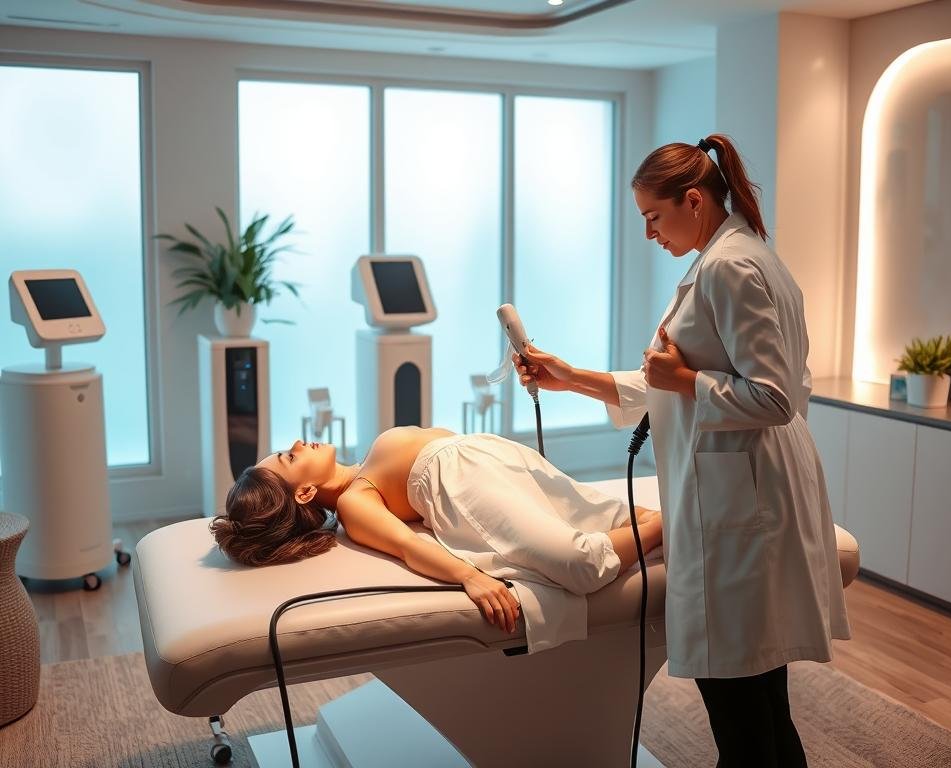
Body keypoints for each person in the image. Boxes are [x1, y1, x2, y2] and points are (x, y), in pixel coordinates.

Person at [512, 134, 850, 767]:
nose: (648, 233)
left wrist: (689, 381)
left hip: (743, 507)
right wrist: (571, 377)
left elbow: (776, 398)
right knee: (757, 695)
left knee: (740, 701)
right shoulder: (730, 258)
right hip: (741, 495)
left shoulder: (731, 267)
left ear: (692, 200)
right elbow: (668, 381)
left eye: (652, 217)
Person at [210, 426, 663, 653]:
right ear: (305, 492)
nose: (298, 442)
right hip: (464, 478)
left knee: (614, 515)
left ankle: (673, 524)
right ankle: (679, 524)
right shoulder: (354, 501)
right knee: (578, 563)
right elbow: (409, 547)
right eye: (290, 456)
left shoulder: (365, 468)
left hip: (492, 456)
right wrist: (471, 577)